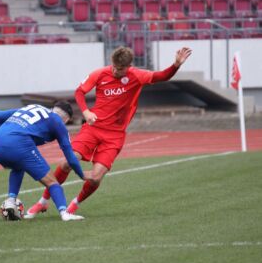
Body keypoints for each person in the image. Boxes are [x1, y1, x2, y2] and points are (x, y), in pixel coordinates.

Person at [25, 46, 193, 218]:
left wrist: (176, 65)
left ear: (128, 67)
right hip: (93, 128)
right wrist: (86, 112)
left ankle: (74, 204)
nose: (115, 70)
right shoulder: (100, 73)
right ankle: (42, 202)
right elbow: (79, 92)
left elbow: (162, 76)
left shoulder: (137, 76)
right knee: (68, 161)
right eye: (113, 66)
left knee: (96, 177)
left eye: (119, 69)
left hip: (114, 136)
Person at [0, 101, 88, 221]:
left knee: (18, 167)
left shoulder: (32, 106)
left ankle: (11, 200)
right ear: (66, 119)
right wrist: (81, 174)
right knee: (52, 182)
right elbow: (70, 157)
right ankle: (65, 213)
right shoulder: (57, 121)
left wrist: (3, 138)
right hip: (19, 144)